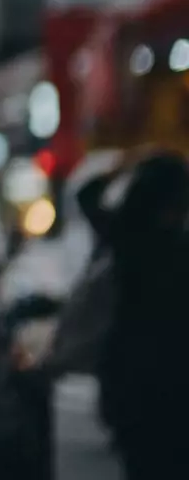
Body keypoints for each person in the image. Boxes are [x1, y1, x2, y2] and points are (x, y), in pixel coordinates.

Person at [95, 151, 189, 480]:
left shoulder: (127, 240)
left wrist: (121, 166)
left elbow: (88, 196)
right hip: (174, 395)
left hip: (132, 389)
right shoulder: (177, 249)